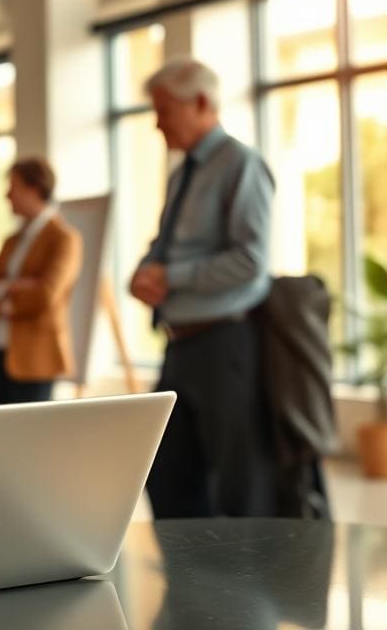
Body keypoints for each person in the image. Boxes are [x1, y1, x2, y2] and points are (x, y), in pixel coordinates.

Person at [130, 56, 276, 519]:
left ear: (199, 103)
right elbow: (167, 244)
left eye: (164, 110)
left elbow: (251, 261)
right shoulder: (181, 174)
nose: (157, 124)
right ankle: (191, 584)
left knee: (238, 482)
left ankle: (239, 586)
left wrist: (173, 277)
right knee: (167, 475)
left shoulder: (242, 164)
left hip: (224, 342)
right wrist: (145, 270)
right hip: (180, 343)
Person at [0, 158, 82, 405]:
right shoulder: (12, 240)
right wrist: (9, 288)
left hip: (36, 357)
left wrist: (1, 295)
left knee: (29, 439)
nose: (7, 195)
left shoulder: (64, 239)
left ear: (33, 189)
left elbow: (45, 295)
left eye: (12, 187)